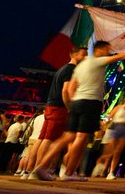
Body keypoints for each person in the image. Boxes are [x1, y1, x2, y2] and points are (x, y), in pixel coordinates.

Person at [34, 41, 125, 182]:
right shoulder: (97, 61)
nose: (109, 53)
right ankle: (69, 172)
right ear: (100, 50)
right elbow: (122, 56)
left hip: (77, 102)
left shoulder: (80, 67)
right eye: (107, 50)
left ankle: (42, 165)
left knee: (67, 137)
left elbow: (69, 89)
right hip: (90, 103)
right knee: (82, 138)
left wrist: (71, 105)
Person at [30, 46, 85, 178]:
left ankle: (35, 170)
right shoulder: (71, 70)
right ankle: (39, 169)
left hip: (50, 105)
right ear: (74, 55)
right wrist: (70, 108)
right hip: (59, 106)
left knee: (43, 138)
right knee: (50, 139)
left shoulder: (62, 68)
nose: (85, 57)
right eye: (83, 54)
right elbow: (66, 90)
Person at [93, 94, 125, 179]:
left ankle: (111, 172)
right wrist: (103, 126)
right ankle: (99, 164)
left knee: (118, 152)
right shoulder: (119, 107)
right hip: (114, 128)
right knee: (110, 152)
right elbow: (109, 117)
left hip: (124, 130)